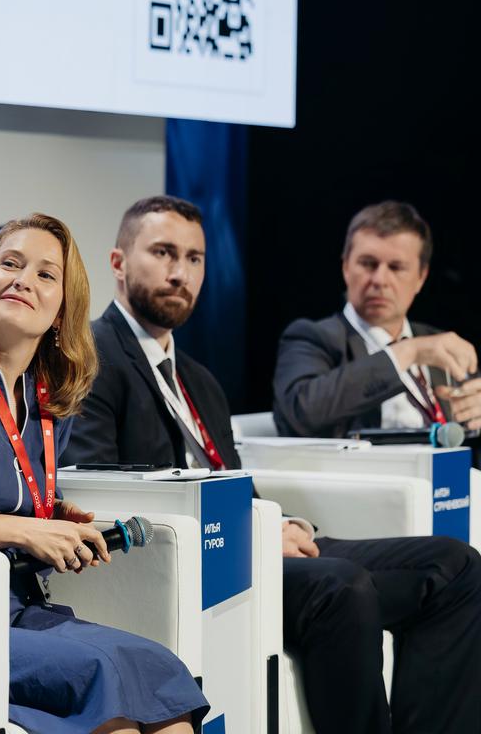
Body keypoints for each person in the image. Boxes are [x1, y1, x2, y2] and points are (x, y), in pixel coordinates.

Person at [63, 195, 481, 734]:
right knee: (342, 585)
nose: (180, 272)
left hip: (250, 540)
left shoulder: (197, 378)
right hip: (193, 555)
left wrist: (282, 523)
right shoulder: (93, 358)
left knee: (456, 566)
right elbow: (94, 489)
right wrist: (256, 533)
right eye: (163, 253)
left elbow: (233, 477)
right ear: (118, 263)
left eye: (194, 258)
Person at [0, 213, 208, 734]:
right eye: (10, 264)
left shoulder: (47, 396)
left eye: (46, 274)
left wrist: (52, 514)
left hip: (20, 606)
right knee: (110, 680)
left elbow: (8, 487)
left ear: (61, 311)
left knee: (160, 671)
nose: (23, 280)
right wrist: (26, 530)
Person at [273, 200, 481, 438]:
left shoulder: (439, 345)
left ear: (421, 277)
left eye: (396, 267)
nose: (380, 280)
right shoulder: (312, 338)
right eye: (368, 264)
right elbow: (301, 413)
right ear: (346, 268)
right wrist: (406, 352)